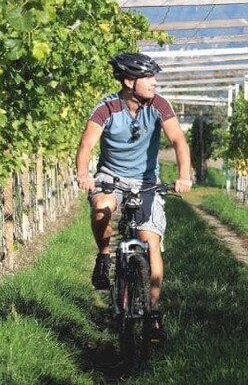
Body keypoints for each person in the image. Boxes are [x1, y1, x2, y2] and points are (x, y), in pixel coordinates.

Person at [76, 52, 193, 341]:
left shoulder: (159, 105)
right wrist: (83, 174)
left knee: (150, 242)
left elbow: (178, 140)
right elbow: (86, 144)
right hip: (110, 178)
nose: (154, 83)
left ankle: (153, 312)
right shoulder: (106, 108)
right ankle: (104, 257)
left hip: (146, 181)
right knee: (102, 207)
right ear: (129, 81)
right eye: (148, 77)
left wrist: (184, 175)